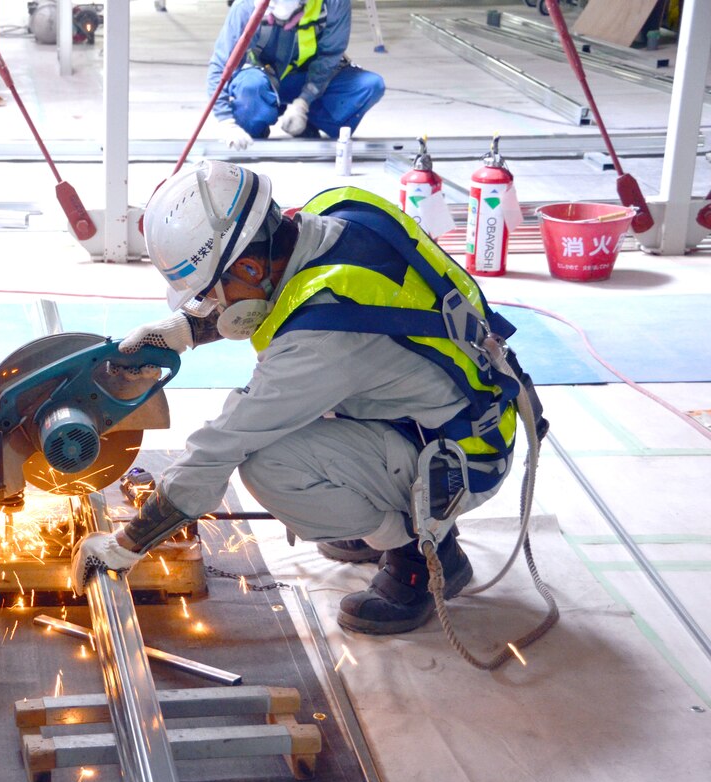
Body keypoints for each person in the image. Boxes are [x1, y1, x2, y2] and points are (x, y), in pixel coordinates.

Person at [71, 160, 547, 635]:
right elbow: (282, 298)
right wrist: (183, 332)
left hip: (457, 462)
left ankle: (421, 556)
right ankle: (381, 515)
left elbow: (222, 445)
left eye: (214, 294)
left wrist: (127, 545)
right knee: (295, 417)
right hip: (456, 411)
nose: (213, 307)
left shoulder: (322, 342)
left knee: (268, 463)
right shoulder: (334, 215)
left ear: (252, 265)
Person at [209, 0, 385, 150]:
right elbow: (221, 66)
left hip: (309, 79)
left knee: (369, 85)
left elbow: (329, 56)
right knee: (249, 91)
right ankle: (255, 125)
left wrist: (304, 102)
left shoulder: (334, 3)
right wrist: (225, 121)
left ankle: (310, 123)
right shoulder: (245, 6)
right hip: (262, 80)